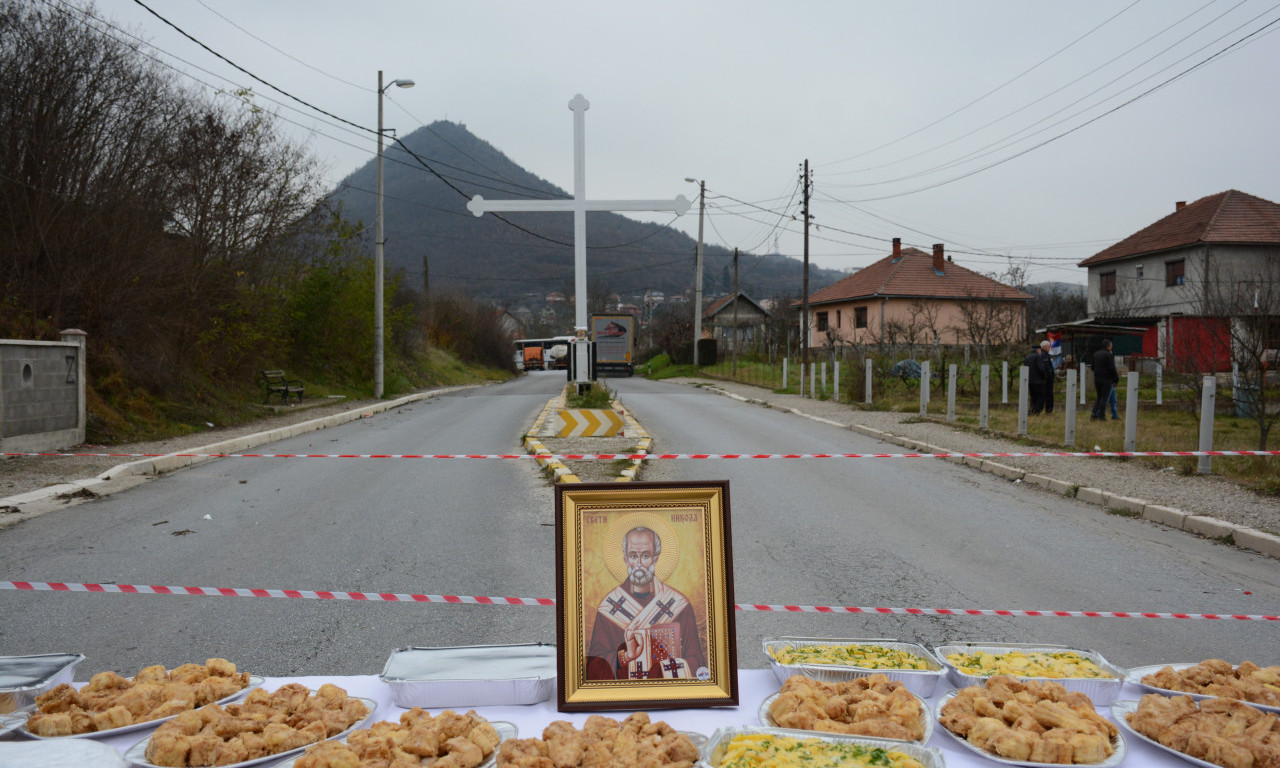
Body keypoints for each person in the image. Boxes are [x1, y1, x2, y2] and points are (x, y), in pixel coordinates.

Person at [586, 526, 707, 680]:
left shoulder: (679, 605)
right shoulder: (608, 608)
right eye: (633, 556)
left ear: (655, 558)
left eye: (645, 555)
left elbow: (697, 663)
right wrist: (624, 656)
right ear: (625, 559)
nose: (639, 564)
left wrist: (661, 671)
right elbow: (593, 668)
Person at [1091, 339, 1119, 421]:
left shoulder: (1095, 354)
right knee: (1104, 398)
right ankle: (1101, 416)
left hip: (1097, 378)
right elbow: (1112, 368)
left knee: (1099, 397)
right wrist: (1116, 378)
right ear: (1109, 346)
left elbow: (1092, 366)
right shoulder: (1108, 355)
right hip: (1106, 379)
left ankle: (1093, 414)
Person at [1023, 343, 1047, 414]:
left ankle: (1032, 409)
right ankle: (1037, 411)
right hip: (1038, 381)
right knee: (1040, 396)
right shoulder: (1037, 357)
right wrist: (1045, 376)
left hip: (1029, 381)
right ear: (1038, 350)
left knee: (1033, 396)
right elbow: (1041, 368)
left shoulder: (1027, 357)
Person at [1037, 340, 1055, 414]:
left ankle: (1047, 409)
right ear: (1044, 347)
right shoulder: (1044, 356)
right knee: (1048, 395)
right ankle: (1048, 410)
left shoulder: (1045, 355)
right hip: (1047, 380)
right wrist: (1050, 376)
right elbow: (1046, 368)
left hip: (1045, 379)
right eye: (1048, 346)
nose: (1049, 348)